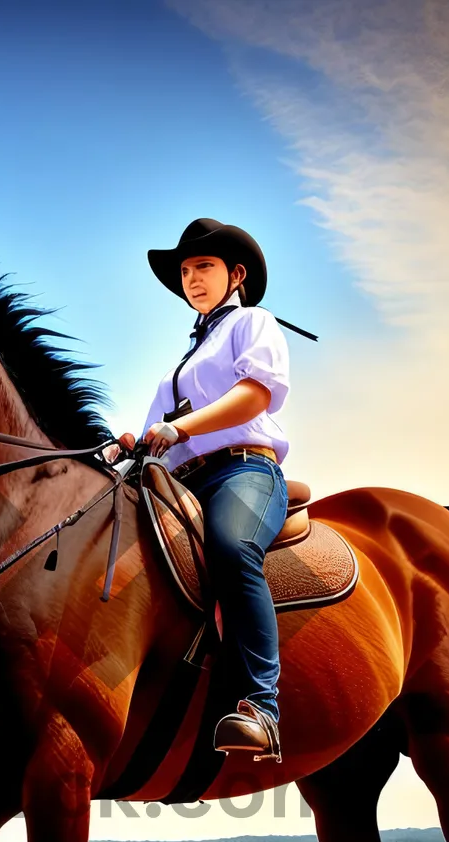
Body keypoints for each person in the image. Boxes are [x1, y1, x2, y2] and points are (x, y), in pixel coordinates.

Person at [116, 218, 291, 760]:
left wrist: (180, 428)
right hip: (183, 481)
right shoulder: (183, 362)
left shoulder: (253, 323)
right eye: (186, 270)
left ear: (235, 275)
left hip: (245, 471)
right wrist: (127, 443)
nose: (192, 278)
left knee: (231, 547)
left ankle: (263, 706)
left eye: (204, 267)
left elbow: (255, 395)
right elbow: (154, 436)